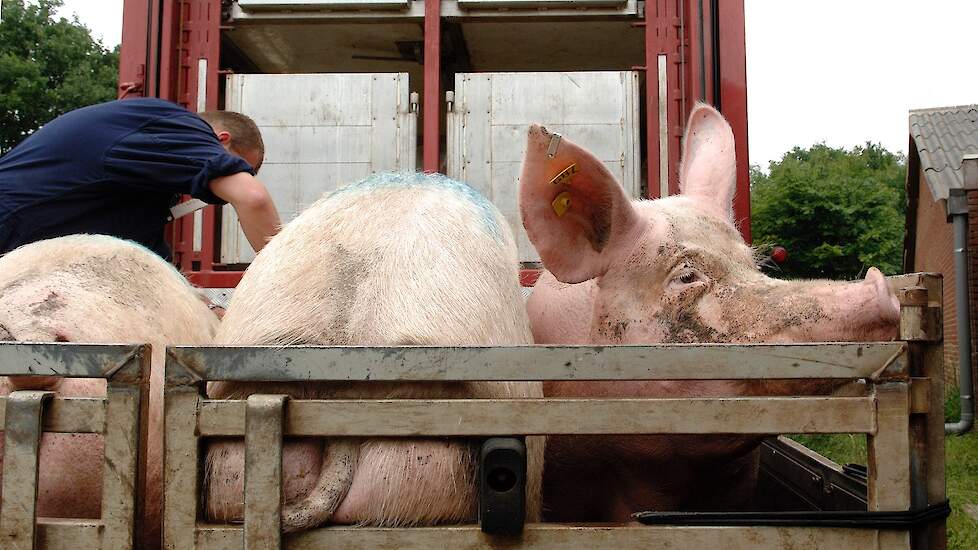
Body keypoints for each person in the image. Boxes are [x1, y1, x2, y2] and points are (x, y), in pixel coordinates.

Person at [0, 97, 281, 259]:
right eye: (240, 166)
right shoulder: (179, 125)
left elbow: (148, 261)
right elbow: (253, 198)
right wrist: (282, 288)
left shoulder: (139, 187)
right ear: (221, 140)